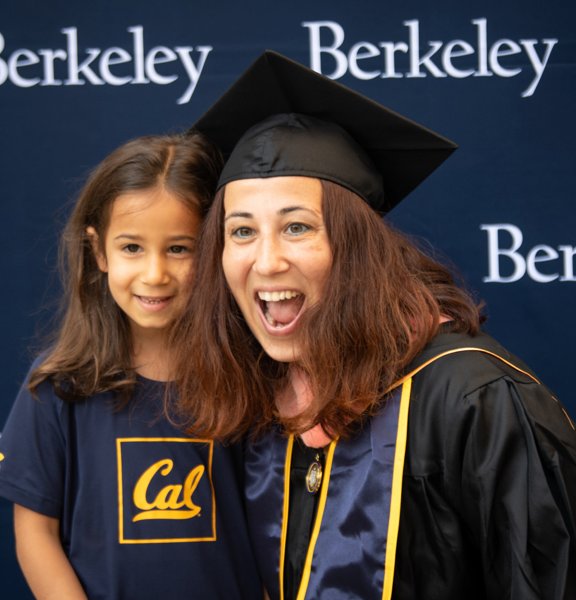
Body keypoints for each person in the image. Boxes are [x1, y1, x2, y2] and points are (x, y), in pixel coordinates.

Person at [170, 51, 576, 600]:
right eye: (241, 232)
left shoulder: (474, 401)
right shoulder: (260, 401)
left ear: (357, 249)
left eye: (296, 227)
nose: (264, 262)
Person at [0, 133, 262, 599]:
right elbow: (35, 534)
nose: (155, 273)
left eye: (179, 248)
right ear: (98, 251)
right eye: (132, 248)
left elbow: (275, 532)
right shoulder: (58, 385)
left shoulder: (249, 376)